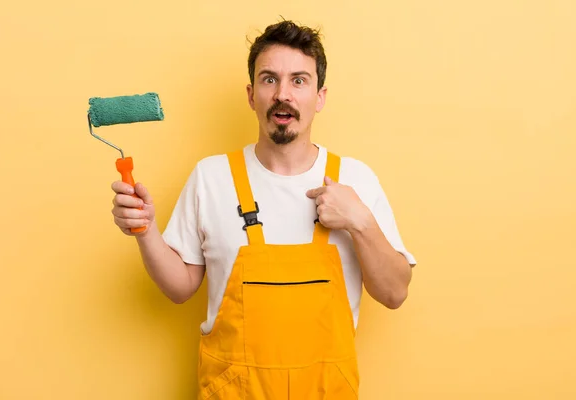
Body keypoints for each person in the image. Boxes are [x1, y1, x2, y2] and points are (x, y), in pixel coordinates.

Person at [111, 19, 416, 400]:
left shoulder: (357, 179)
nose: (282, 94)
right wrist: (145, 230)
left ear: (319, 96)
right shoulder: (212, 177)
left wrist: (359, 221)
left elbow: (394, 294)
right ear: (251, 94)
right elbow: (180, 288)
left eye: (299, 80)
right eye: (269, 79)